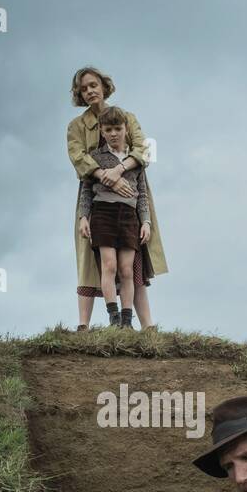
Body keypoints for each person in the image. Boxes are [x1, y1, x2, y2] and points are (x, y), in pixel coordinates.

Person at [66, 66, 168, 330]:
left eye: (93, 85)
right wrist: (103, 175)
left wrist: (119, 170)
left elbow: (143, 149)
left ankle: (144, 326)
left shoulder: (127, 117)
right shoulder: (76, 126)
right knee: (93, 261)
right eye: (83, 88)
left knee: (132, 263)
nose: (89, 91)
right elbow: (78, 157)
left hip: (130, 191)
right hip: (96, 195)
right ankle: (84, 325)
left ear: (103, 85)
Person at [77, 108, 151, 330]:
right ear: (101, 130)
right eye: (108, 129)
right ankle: (114, 317)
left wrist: (146, 221)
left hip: (129, 217)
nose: (114, 134)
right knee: (109, 265)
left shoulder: (135, 160)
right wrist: (83, 217)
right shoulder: (95, 158)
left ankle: (127, 321)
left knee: (126, 269)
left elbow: (143, 193)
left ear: (126, 129)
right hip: (103, 214)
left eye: (118, 129)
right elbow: (86, 190)